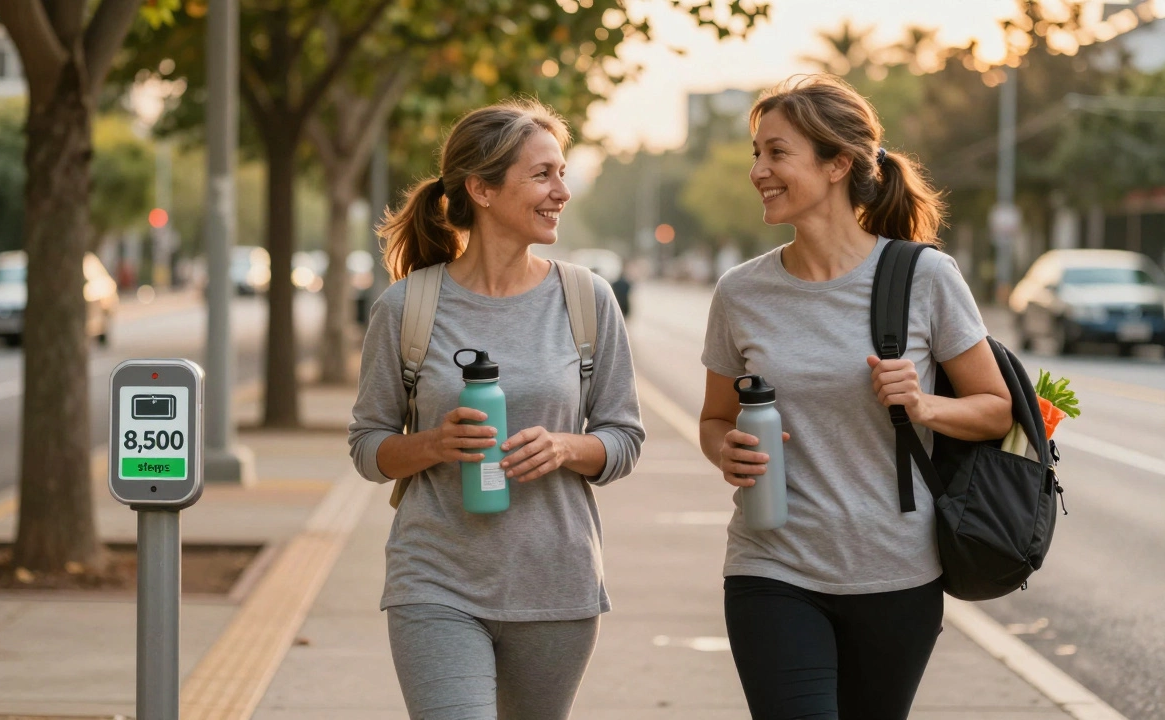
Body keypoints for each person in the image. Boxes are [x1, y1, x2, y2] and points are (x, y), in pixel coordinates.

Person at [697, 74, 1014, 720]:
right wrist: (723, 450)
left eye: (776, 153)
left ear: (837, 163)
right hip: (772, 568)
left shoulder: (924, 277)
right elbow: (714, 419)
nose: (758, 170)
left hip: (896, 575)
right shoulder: (741, 292)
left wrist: (925, 406)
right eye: (757, 153)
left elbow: (999, 411)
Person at [348, 98, 644, 720]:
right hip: (435, 580)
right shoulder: (407, 308)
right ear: (481, 188)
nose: (561, 191)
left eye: (562, 173)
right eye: (542, 175)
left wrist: (566, 447)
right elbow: (368, 447)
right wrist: (431, 445)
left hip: (556, 584)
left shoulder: (586, 300)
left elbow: (624, 438)